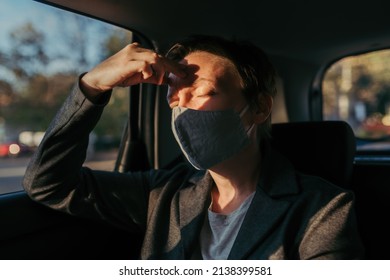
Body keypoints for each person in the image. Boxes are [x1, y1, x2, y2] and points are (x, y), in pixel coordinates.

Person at [23, 35, 364, 260]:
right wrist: (93, 85)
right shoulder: (163, 193)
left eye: (200, 93)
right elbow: (47, 183)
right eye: (174, 99)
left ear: (259, 107)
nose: (182, 110)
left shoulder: (323, 209)